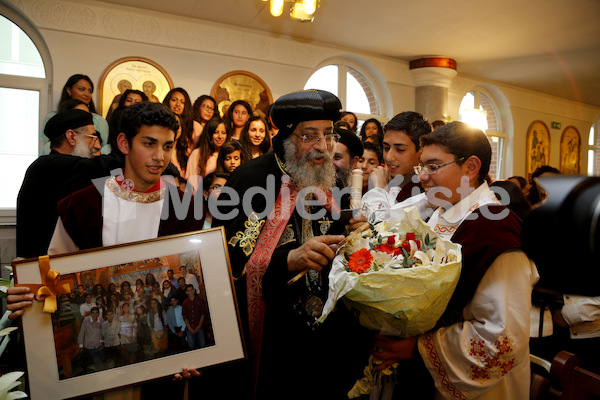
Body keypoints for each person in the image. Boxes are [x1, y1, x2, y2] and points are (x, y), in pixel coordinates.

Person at [213, 89, 370, 399]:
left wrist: (356, 233)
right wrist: (288, 260)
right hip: (276, 337)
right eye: (310, 136)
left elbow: (341, 241)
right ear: (286, 136)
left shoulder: (334, 180)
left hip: (329, 337)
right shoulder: (249, 181)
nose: (323, 147)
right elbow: (226, 263)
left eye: (328, 134)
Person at [363, 121, 537, 399]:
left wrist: (417, 348)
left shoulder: (495, 229)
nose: (423, 177)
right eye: (422, 167)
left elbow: (503, 338)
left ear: (471, 167)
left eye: (434, 166)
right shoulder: (440, 209)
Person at [16, 109, 121, 259]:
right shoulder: (49, 166)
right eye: (92, 137)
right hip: (43, 269)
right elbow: (102, 167)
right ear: (71, 137)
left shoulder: (57, 166)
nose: (97, 146)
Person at [361, 111, 432, 221]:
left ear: (421, 152)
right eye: (386, 148)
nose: (389, 157)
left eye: (400, 150)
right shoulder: (378, 179)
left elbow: (386, 228)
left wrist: (380, 189)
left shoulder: (425, 190)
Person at [40, 74, 110, 155]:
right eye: (82, 89)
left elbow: (102, 148)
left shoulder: (100, 121)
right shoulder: (52, 117)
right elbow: (47, 145)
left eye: (90, 91)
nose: (86, 94)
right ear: (69, 90)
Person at [164, 88, 202, 176]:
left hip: (186, 170)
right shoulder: (159, 122)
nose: (178, 104)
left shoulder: (195, 127)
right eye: (174, 100)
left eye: (182, 102)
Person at [186, 116, 230, 188]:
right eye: (216, 132)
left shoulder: (228, 154)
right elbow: (191, 182)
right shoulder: (197, 153)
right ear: (209, 134)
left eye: (223, 133)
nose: (220, 136)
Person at [181, 284, 207, 349]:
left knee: (202, 344)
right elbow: (185, 317)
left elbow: (203, 314)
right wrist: (189, 328)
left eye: (191, 290)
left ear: (194, 290)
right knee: (191, 346)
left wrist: (199, 326)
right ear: (186, 292)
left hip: (199, 327)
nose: (190, 292)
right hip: (189, 328)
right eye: (188, 291)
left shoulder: (200, 301)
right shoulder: (184, 303)